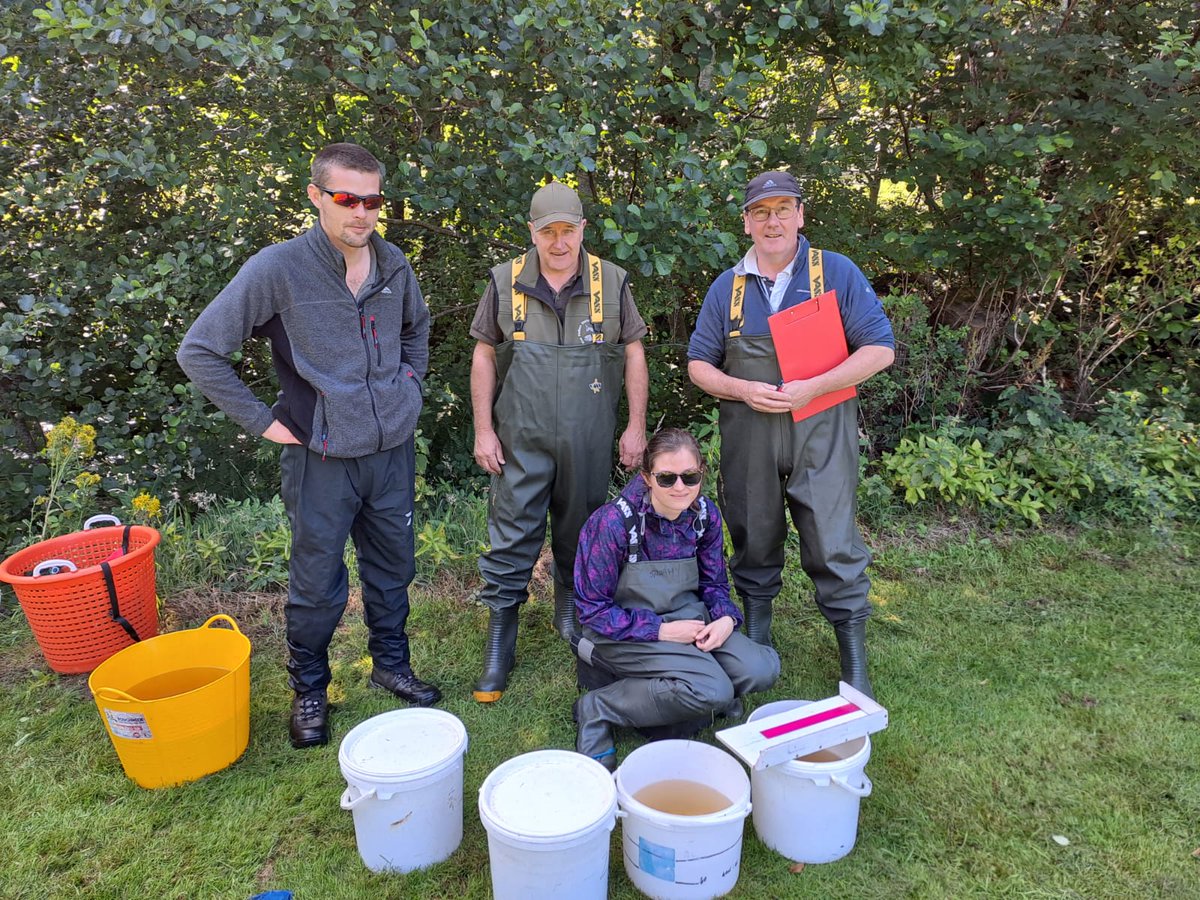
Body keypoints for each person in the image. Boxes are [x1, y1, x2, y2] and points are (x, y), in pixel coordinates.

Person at [177, 142, 441, 749]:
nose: (362, 213)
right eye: (347, 198)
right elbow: (200, 350)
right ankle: (311, 690)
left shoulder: (393, 264)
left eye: (373, 200)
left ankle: (393, 667)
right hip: (318, 455)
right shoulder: (278, 269)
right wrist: (263, 423)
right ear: (316, 196)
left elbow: (417, 328)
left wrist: (411, 385)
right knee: (317, 582)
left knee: (392, 566)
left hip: (390, 450)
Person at [687, 170, 895, 698]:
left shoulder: (835, 273)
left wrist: (817, 386)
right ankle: (757, 641)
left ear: (801, 215)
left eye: (783, 209)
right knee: (753, 532)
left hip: (820, 430)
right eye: (761, 212)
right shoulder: (728, 288)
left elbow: (879, 349)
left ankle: (854, 661)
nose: (772, 220)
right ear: (747, 222)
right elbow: (697, 365)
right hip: (749, 430)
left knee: (832, 540)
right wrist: (739, 388)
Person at [469, 181, 649, 703]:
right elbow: (484, 354)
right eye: (548, 232)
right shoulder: (504, 282)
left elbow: (634, 352)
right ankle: (500, 644)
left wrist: (635, 427)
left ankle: (570, 613)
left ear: (582, 230)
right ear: (532, 232)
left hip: (588, 439)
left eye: (568, 230)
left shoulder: (610, 282)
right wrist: (483, 429)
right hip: (519, 441)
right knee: (510, 539)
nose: (559, 242)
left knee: (585, 532)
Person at [570, 428, 781, 770]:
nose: (680, 487)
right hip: (620, 633)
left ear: (701, 474)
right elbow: (592, 612)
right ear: (647, 477)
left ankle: (695, 693)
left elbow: (714, 583)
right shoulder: (612, 524)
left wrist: (726, 619)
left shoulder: (705, 516)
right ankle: (598, 708)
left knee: (762, 668)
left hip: (690, 622)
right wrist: (662, 631)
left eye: (690, 476)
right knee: (712, 690)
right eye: (666, 478)